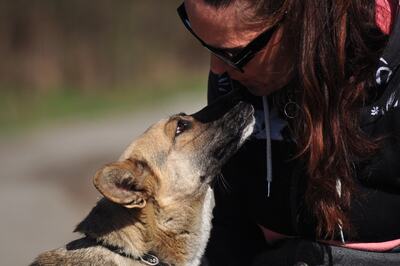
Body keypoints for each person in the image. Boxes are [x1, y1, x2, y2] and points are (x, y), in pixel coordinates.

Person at [177, 0, 400, 265]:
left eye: (234, 54)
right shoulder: (236, 77)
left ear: (297, 19)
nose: (217, 69)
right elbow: (229, 224)